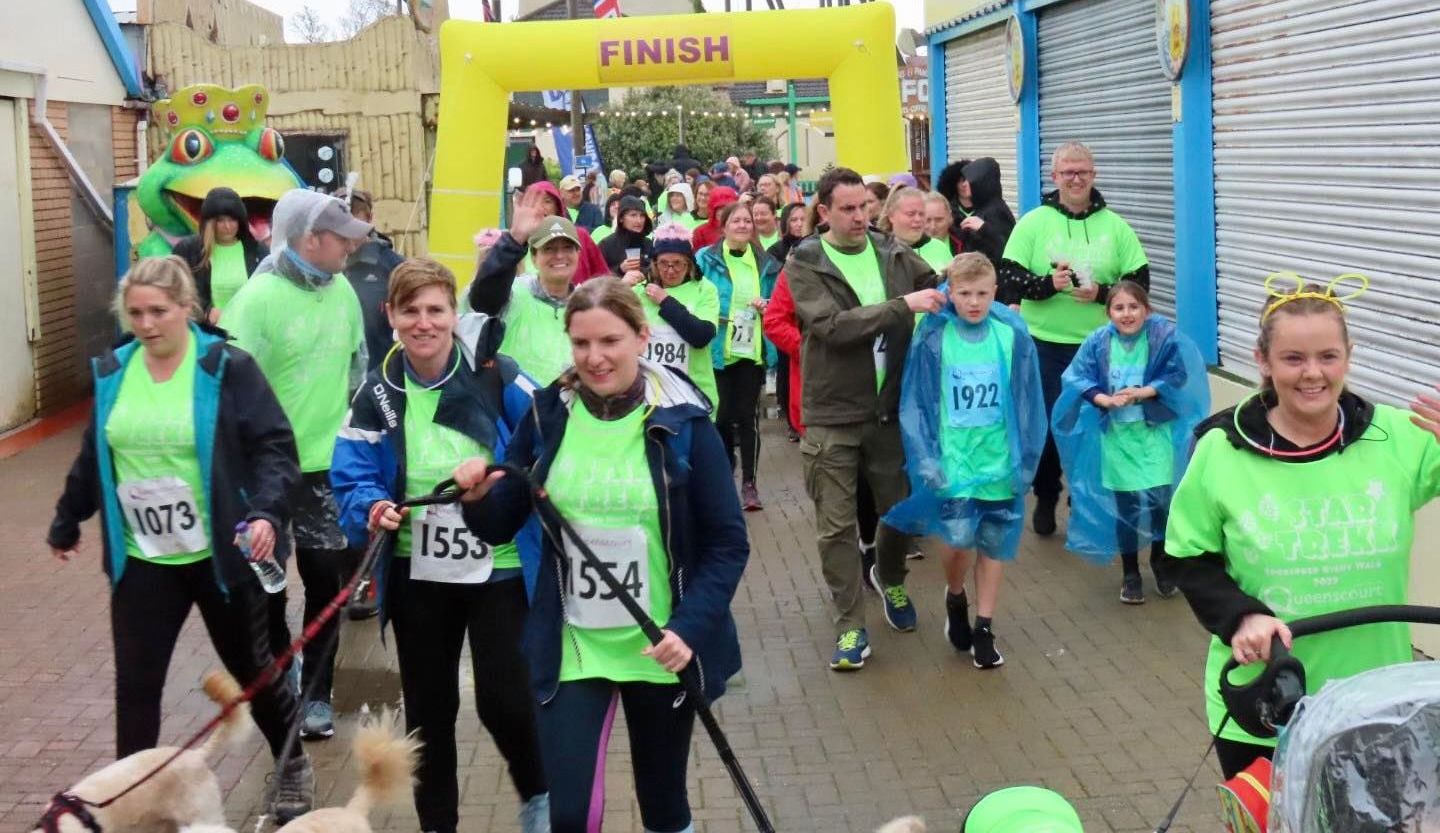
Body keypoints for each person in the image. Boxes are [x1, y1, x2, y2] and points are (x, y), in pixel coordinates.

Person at [454, 277, 749, 833]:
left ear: (641, 337)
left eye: (610, 341)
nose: (595, 358)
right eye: (581, 343)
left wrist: (687, 629)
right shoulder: (547, 417)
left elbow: (728, 543)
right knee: (567, 815)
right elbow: (499, 522)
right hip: (573, 643)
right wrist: (475, 496)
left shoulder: (683, 423)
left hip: (661, 644)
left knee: (664, 807)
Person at [46, 256, 314, 822]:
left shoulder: (225, 367)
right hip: (144, 559)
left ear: (186, 308)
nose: (146, 325)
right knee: (136, 691)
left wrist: (267, 513)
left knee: (256, 674)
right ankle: (131, 802)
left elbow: (273, 447)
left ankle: (291, 763)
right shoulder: (115, 370)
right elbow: (98, 454)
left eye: (158, 312)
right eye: (135, 313)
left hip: (221, 555)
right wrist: (69, 517)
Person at [1162, 275, 1440, 779]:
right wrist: (1241, 617)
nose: (1312, 374)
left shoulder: (1401, 439)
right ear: (1263, 361)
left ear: (1348, 356)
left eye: (1328, 356)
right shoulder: (1221, 452)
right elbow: (1185, 556)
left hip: (1377, 703)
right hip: (1266, 705)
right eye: (1293, 359)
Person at [330, 258, 550, 833]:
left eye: (435, 310)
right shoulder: (376, 394)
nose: (423, 323)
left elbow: (548, 439)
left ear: (454, 315)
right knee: (429, 712)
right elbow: (352, 474)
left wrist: (500, 476)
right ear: (391, 316)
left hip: (499, 567)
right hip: (418, 573)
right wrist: (372, 507)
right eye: (411, 311)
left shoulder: (497, 374)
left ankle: (539, 798)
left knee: (505, 699)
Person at [222, 189, 370, 740]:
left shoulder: (344, 292)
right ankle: (283, 681)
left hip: (327, 469)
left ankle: (317, 694)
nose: (350, 250)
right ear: (311, 240)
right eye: (341, 239)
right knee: (267, 588)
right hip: (265, 475)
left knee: (326, 581)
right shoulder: (257, 299)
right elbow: (228, 386)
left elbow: (357, 371)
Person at [787, 167, 947, 670]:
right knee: (835, 528)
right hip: (832, 413)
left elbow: (941, 287)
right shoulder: (805, 262)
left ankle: (891, 579)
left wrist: (981, 285)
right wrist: (903, 306)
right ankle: (850, 627)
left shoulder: (893, 252)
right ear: (825, 212)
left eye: (865, 207)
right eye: (849, 209)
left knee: (900, 513)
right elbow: (832, 327)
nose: (861, 217)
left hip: (889, 411)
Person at [885, 254, 1045, 669]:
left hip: (999, 459)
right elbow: (917, 401)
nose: (974, 302)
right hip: (953, 460)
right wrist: (925, 456)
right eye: (964, 294)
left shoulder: (1011, 336)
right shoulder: (935, 338)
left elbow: (1028, 398)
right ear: (949, 293)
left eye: (982, 294)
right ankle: (955, 594)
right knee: (957, 540)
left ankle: (984, 627)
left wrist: (1026, 456)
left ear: (995, 293)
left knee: (994, 542)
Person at [1000, 141, 1150, 537]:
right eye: (1068, 172)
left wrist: (1101, 293)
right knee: (1052, 424)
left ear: (1094, 174)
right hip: (1045, 345)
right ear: (1055, 177)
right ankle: (1047, 493)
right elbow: (1008, 277)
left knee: (1097, 426)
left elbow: (1140, 283)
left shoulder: (1116, 226)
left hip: (1101, 347)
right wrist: (1047, 285)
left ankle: (1083, 499)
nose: (1076, 178)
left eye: (1083, 171)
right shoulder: (1034, 222)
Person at [1050, 280, 1209, 603]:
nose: (1126, 314)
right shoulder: (1098, 342)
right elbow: (1076, 376)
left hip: (1155, 435)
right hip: (1118, 438)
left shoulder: (1161, 337)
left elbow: (1179, 373)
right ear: (1108, 312)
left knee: (1163, 503)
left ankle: (1161, 563)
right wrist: (1102, 400)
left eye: (1133, 307)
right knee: (1128, 508)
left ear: (1146, 310)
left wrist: (1145, 392)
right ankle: (1130, 572)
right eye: (1119, 308)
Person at [697, 200, 779, 512]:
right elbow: (694, 292)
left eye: (747, 221)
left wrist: (767, 304)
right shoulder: (705, 258)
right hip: (717, 349)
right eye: (737, 221)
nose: (743, 226)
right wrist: (712, 316)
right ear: (724, 225)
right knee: (720, 417)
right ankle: (724, 475)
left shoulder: (766, 262)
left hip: (750, 349)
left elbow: (780, 300)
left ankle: (750, 483)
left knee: (747, 418)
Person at [470, 193, 587, 386]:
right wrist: (514, 240)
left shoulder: (589, 304)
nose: (559, 255)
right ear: (534, 258)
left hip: (570, 409)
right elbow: (483, 299)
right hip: (516, 409)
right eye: (549, 249)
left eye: (567, 248)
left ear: (578, 255)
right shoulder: (513, 294)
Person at [635, 224, 720, 411]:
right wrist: (620, 287)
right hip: (650, 396)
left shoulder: (705, 289)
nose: (670, 270)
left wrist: (666, 301)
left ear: (689, 264)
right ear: (655, 264)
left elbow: (701, 336)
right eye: (664, 263)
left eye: (678, 263)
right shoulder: (638, 293)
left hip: (693, 394)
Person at [171, 186, 267, 322]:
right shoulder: (188, 251)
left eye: (232, 220)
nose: (227, 226)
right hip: (208, 334)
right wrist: (206, 311)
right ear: (209, 223)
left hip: (248, 332)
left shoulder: (258, 251)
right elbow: (174, 291)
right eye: (220, 220)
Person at [338, 188, 405, 372]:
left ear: (369, 219)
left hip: (381, 376)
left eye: (355, 225)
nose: (348, 234)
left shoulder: (394, 267)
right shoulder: (321, 268)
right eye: (341, 226)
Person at [509, 181, 609, 282]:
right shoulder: (516, 243)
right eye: (534, 202)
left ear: (557, 206)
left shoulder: (580, 236)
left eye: (547, 201)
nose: (540, 208)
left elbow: (605, 279)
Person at [953, 157, 1017, 270]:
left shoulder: (995, 211)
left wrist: (984, 228)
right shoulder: (986, 207)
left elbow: (1005, 249)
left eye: (970, 179)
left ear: (982, 182)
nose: (965, 184)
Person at [879, 186, 953, 273]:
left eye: (921, 214)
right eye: (911, 214)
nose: (918, 219)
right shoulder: (880, 251)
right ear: (891, 216)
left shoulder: (939, 247)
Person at [599, 195, 654, 278]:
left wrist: (643, 270)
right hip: (617, 290)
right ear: (621, 218)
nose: (639, 221)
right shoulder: (606, 245)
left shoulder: (649, 244)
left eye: (642, 216)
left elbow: (659, 272)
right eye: (633, 215)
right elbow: (597, 276)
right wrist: (620, 269)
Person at [690, 185, 739, 251]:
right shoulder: (700, 232)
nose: (722, 212)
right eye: (718, 208)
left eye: (726, 208)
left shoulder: (741, 229)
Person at [923, 192, 960, 257]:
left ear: (950, 217)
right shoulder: (909, 247)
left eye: (938, 220)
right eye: (927, 220)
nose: (933, 227)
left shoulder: (966, 242)